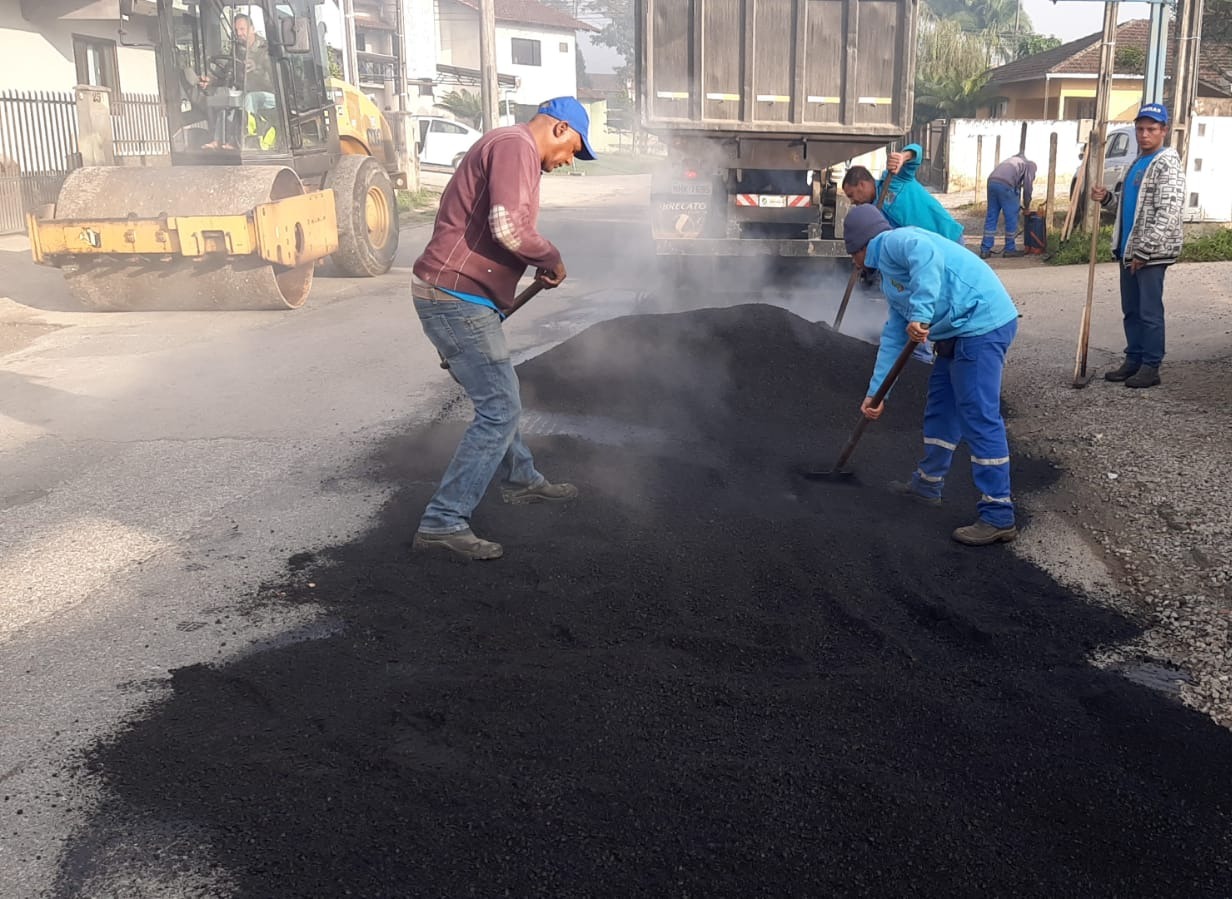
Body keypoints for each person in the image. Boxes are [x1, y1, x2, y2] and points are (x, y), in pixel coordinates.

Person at [410, 97, 597, 561]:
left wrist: (531, 265)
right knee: (499, 407)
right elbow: (508, 228)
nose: (570, 160)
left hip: (461, 296)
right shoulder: (515, 146)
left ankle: (521, 480)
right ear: (559, 128)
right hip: (455, 297)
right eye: (575, 148)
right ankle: (443, 521)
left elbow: (501, 232)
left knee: (501, 397)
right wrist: (549, 257)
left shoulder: (511, 148)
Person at [843, 205, 1021, 546]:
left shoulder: (895, 241)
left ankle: (998, 514)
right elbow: (895, 336)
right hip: (956, 330)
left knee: (978, 414)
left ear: (859, 247)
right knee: (942, 406)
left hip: (982, 323)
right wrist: (876, 394)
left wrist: (922, 314)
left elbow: (926, 256)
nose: (853, 263)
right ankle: (927, 484)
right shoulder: (891, 279)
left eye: (851, 254)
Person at [1091, 102, 1185, 389]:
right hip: (1128, 249)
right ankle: (1133, 359)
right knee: (1131, 309)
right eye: (1140, 128)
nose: (1144, 134)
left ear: (1164, 131)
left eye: (1151, 129)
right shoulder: (1137, 163)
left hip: (1151, 254)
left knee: (1149, 311)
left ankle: (1150, 365)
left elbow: (1168, 212)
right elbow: (1131, 207)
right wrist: (1107, 199)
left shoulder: (1166, 163)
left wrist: (1145, 250)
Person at [841, 146, 963, 242]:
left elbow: (917, 152)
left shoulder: (894, 180)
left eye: (851, 195)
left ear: (862, 185)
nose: (852, 201)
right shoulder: (872, 214)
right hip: (926, 253)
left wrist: (903, 157)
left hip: (948, 237)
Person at [199, 13, 276, 149]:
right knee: (227, 96)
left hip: (271, 95)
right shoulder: (237, 50)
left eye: (242, 29)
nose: (239, 34)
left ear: (252, 28)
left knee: (250, 98)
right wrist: (212, 80)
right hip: (246, 93)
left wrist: (256, 68)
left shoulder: (266, 49)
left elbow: (275, 76)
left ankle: (246, 139)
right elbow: (228, 73)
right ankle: (219, 140)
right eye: (236, 30)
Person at [980, 151, 1037, 259]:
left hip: (992, 182)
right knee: (1011, 216)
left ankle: (985, 249)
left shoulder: (1011, 161)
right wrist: (1027, 206)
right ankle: (1009, 249)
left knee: (991, 216)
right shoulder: (1030, 165)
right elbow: (1028, 187)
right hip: (1006, 185)